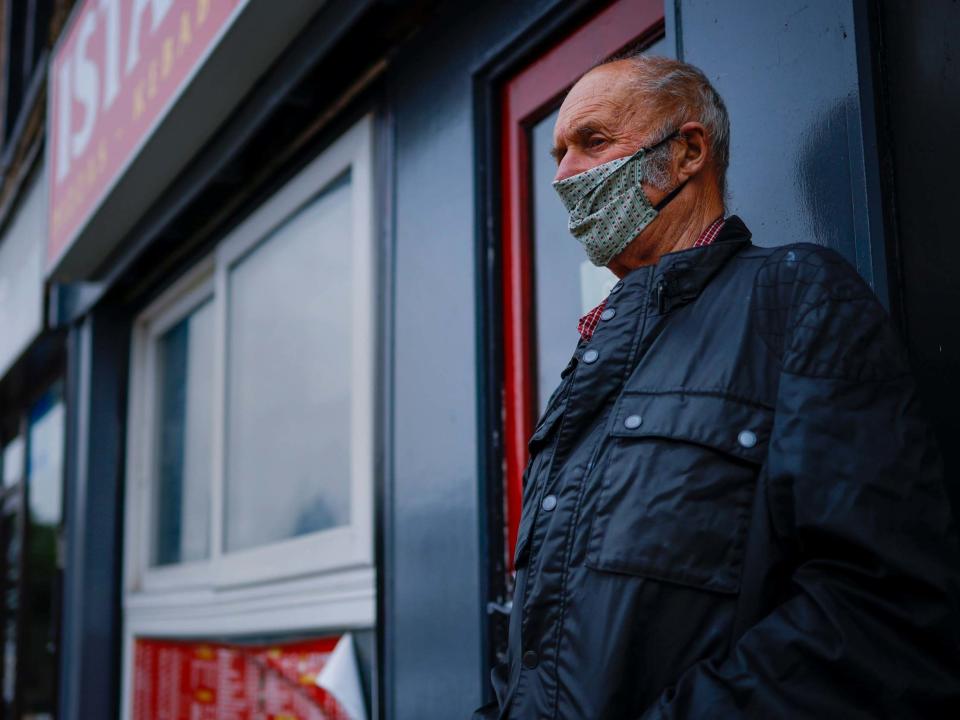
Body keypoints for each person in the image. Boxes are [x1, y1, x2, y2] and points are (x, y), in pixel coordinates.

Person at [474, 53, 960, 719]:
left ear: (687, 152)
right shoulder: (587, 368)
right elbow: (536, 643)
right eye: (558, 152)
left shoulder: (795, 299)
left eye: (592, 142)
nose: (563, 176)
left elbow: (877, 610)